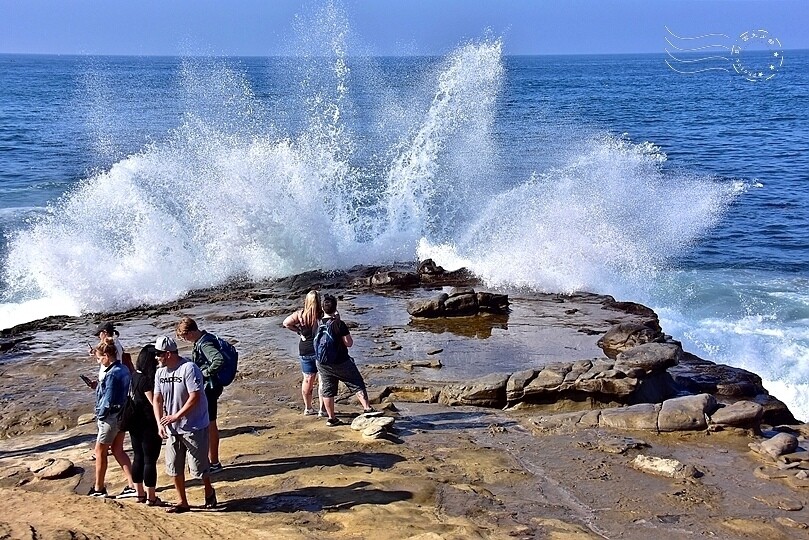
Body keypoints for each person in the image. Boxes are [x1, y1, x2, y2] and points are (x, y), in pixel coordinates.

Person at [152, 335, 216, 513]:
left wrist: (176, 416)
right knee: (174, 466)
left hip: (193, 425)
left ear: (168, 354)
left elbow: (195, 396)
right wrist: (159, 423)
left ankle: (209, 489)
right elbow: (157, 399)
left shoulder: (189, 368)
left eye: (158, 354)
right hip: (173, 429)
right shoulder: (160, 372)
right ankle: (182, 502)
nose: (156, 357)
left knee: (199, 467)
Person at [174, 317, 225, 473]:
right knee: (210, 424)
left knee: (210, 424)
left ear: (190, 332)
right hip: (212, 386)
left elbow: (218, 359)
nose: (184, 340)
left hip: (210, 388)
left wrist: (203, 373)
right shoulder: (205, 338)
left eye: (184, 337)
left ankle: (214, 462)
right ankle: (213, 461)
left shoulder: (205, 343)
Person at [88, 337, 136, 498]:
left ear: (107, 356)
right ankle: (133, 485)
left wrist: (100, 415)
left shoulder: (111, 374)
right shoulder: (123, 369)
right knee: (117, 450)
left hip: (110, 418)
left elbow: (107, 400)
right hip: (122, 415)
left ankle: (99, 489)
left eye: (99, 358)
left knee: (100, 451)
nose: (99, 362)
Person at [317, 294, 375, 426]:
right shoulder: (339, 324)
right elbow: (349, 343)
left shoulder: (318, 323)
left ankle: (331, 418)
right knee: (356, 382)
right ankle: (367, 408)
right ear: (335, 308)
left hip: (322, 362)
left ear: (322, 308)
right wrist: (339, 321)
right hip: (341, 361)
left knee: (327, 389)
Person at [127, 344, 164, 506]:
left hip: (134, 423)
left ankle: (139, 494)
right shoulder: (147, 380)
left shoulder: (134, 376)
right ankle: (151, 497)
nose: (158, 359)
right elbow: (153, 401)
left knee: (138, 457)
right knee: (150, 460)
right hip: (148, 423)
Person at [282, 290, 325, 416]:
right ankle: (323, 410)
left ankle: (308, 408)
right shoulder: (322, 314)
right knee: (322, 380)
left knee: (307, 379)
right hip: (320, 350)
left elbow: (286, 323)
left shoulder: (300, 314)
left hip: (305, 349)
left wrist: (299, 331)